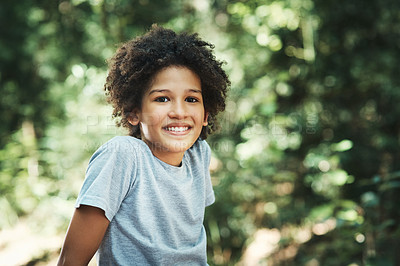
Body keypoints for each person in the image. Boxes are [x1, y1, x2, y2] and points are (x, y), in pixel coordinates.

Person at [57, 25, 230, 266]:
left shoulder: (199, 155)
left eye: (192, 99)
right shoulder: (123, 155)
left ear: (205, 115)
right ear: (133, 113)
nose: (179, 112)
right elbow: (70, 261)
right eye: (162, 99)